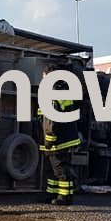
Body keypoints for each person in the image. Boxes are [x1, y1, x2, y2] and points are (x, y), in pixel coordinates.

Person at [37, 64, 82, 205]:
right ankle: (52, 193)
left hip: (58, 140)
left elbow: (51, 120)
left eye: (44, 77)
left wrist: (49, 139)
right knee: (52, 170)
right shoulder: (62, 91)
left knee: (61, 169)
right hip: (64, 138)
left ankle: (65, 197)